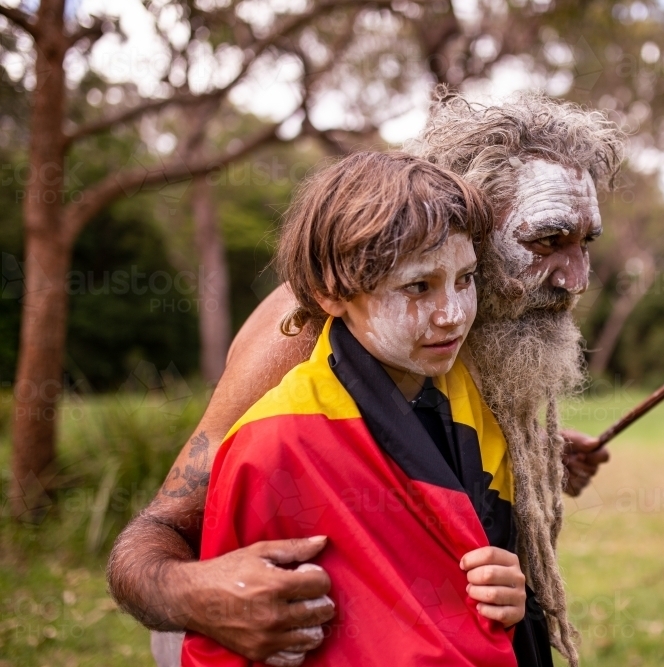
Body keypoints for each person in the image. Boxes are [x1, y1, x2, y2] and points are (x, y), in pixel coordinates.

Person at [108, 91, 625, 667]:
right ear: (469, 220)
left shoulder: (464, 321)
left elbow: (410, 447)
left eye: (586, 243)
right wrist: (202, 595)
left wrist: (536, 456)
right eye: (547, 240)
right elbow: (154, 536)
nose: (577, 279)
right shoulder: (305, 330)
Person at [182, 150, 552, 666]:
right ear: (330, 292)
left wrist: (509, 596)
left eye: (465, 280)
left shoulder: (473, 410)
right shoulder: (273, 444)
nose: (452, 315)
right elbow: (222, 642)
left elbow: (476, 569)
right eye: (419, 286)